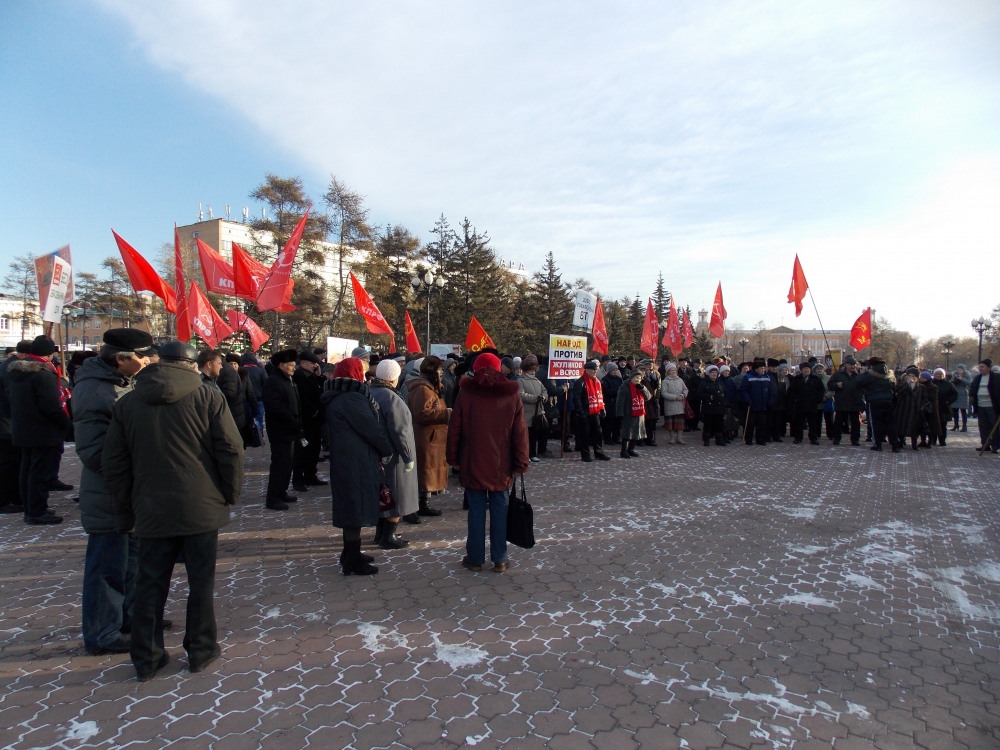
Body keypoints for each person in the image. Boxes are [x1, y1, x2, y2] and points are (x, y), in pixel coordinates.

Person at [102, 340, 244, 681]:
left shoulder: (129, 401)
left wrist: (130, 501)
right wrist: (228, 493)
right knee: (200, 582)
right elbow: (230, 450)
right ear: (193, 365)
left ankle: (147, 656)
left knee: (150, 584)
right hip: (201, 505)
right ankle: (200, 649)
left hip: (150, 507)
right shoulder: (209, 397)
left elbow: (114, 463)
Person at [74, 329, 155, 656]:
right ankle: (101, 634)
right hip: (110, 494)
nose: (148, 360)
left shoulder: (122, 382)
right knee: (108, 567)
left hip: (131, 492)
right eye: (142, 356)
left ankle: (128, 619)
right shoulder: (96, 391)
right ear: (120, 359)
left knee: (131, 562)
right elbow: (94, 452)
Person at [446, 352, 529, 573]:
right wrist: (521, 462)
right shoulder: (511, 395)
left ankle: (474, 558)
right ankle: (500, 559)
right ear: (500, 368)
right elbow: (520, 433)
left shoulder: (466, 393)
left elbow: (454, 429)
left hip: (472, 461)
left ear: (476, 369)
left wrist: (453, 458)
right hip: (502, 465)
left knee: (475, 512)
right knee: (500, 511)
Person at [321, 357, 395, 575]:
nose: (364, 375)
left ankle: (351, 552)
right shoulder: (351, 398)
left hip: (349, 457)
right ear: (354, 374)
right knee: (354, 507)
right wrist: (386, 449)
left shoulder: (342, 395)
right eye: (360, 371)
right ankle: (352, 559)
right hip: (355, 460)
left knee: (351, 505)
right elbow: (370, 428)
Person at [9, 336, 70, 524]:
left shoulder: (16, 370)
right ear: (50, 353)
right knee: (40, 473)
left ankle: (31, 508)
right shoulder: (43, 373)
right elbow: (51, 405)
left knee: (27, 470)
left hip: (24, 427)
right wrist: (66, 424)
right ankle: (37, 511)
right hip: (43, 430)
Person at [366, 359, 419, 545]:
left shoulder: (369, 392)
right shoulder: (392, 397)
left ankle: (380, 534)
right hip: (394, 455)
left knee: (383, 496)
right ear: (394, 377)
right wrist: (408, 457)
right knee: (397, 495)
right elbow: (400, 430)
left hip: (376, 454)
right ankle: (389, 537)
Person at [407, 356, 450, 517]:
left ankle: (423, 504)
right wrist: (447, 414)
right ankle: (413, 507)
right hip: (425, 438)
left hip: (432, 438)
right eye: (440, 369)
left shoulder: (431, 388)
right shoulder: (422, 389)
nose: (441, 373)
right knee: (422, 473)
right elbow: (422, 414)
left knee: (426, 474)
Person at [262, 349, 301, 510]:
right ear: (281, 365)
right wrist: (291, 418)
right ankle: (273, 497)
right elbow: (274, 406)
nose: (293, 368)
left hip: (290, 430)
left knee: (287, 464)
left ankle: (282, 491)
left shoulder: (287, 380)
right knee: (280, 464)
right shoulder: (274, 381)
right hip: (281, 430)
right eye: (291, 365)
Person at [0, 340, 30, 514]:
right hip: (6, 424)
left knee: (11, 463)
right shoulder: (11, 370)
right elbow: (13, 397)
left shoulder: (8, 366)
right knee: (8, 464)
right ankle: (5, 500)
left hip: (7, 422)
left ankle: (12, 497)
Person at [292, 351, 325, 491]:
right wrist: (314, 411)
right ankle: (299, 479)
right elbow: (304, 399)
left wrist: (319, 376)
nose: (315, 366)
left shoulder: (311, 376)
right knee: (303, 451)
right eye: (312, 363)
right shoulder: (300, 377)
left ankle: (311, 475)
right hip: (307, 421)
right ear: (303, 363)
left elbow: (320, 390)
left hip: (315, 421)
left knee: (314, 450)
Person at [856, 357, 900, 452]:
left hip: (874, 401)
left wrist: (861, 374)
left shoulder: (870, 374)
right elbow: (894, 387)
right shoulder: (890, 374)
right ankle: (895, 445)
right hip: (888, 401)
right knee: (890, 423)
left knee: (876, 423)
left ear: (872, 365)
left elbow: (859, 383)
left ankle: (878, 445)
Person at [572, 360, 612, 462]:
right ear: (586, 370)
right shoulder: (580, 382)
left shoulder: (597, 382)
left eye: (595, 370)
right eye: (592, 370)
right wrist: (580, 412)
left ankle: (599, 453)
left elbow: (600, 396)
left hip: (595, 411)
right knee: (584, 435)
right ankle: (585, 455)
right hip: (585, 412)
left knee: (598, 433)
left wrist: (602, 408)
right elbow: (576, 398)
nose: (594, 372)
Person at [827, 355, 863, 446]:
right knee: (838, 422)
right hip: (841, 402)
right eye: (850, 364)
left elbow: (864, 386)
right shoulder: (838, 374)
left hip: (854, 402)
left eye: (854, 364)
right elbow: (830, 385)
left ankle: (855, 439)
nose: (852, 366)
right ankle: (837, 438)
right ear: (846, 364)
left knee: (855, 423)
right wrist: (836, 385)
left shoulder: (858, 375)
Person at [518, 355, 548, 462]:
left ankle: (533, 454)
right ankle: (526, 454)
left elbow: (544, 391)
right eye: (530, 370)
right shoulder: (520, 381)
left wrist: (544, 397)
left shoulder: (537, 381)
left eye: (533, 370)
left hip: (537, 412)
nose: (533, 372)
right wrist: (535, 398)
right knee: (526, 435)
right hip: (526, 412)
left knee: (535, 435)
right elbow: (521, 395)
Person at [616, 367, 650, 458]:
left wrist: (643, 388)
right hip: (628, 413)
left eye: (639, 378)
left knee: (637, 433)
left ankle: (631, 449)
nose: (637, 380)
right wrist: (620, 413)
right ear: (631, 378)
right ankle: (624, 451)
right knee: (627, 433)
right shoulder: (624, 386)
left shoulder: (641, 386)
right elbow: (620, 401)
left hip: (639, 413)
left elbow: (648, 397)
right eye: (636, 378)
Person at [738, 359, 773, 446]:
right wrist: (747, 399)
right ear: (756, 369)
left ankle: (760, 439)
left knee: (762, 423)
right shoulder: (748, 377)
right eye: (761, 368)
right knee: (750, 423)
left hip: (763, 405)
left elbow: (771, 391)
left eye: (764, 368)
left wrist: (770, 401)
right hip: (752, 404)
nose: (763, 370)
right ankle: (748, 439)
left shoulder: (767, 378)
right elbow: (743, 390)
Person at [893, 367, 928, 451]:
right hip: (903, 409)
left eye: (913, 376)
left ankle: (914, 444)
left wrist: (922, 407)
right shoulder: (901, 384)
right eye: (909, 375)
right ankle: (901, 441)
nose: (910, 377)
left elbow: (925, 398)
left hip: (915, 410)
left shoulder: (921, 387)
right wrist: (906, 383)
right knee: (901, 426)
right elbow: (898, 392)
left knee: (914, 428)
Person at [969, 360, 1000, 453]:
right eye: (979, 366)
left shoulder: (996, 378)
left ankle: (995, 445)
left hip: (992, 406)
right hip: (980, 406)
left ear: (989, 368)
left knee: (993, 426)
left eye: (982, 366)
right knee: (983, 426)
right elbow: (973, 388)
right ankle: (985, 444)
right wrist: (971, 395)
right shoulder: (977, 378)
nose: (980, 368)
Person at [698, 365, 728, 446]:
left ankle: (719, 440)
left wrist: (723, 400)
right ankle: (706, 439)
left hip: (719, 407)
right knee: (708, 424)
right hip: (709, 407)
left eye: (715, 372)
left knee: (719, 424)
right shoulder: (704, 383)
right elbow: (699, 394)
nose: (714, 374)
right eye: (712, 372)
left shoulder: (719, 382)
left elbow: (725, 393)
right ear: (708, 373)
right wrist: (709, 397)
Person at [659, 362, 688, 445]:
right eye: (671, 370)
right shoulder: (665, 381)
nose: (673, 372)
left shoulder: (680, 380)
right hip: (670, 404)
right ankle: (672, 438)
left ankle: (679, 437)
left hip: (680, 404)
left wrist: (683, 395)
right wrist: (675, 397)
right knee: (671, 423)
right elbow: (664, 393)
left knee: (680, 423)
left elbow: (685, 389)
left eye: (674, 370)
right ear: (668, 372)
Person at [241, 352, 267, 434]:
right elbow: (266, 384)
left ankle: (249, 435)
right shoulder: (260, 371)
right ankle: (259, 435)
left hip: (245, 399)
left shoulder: (241, 371)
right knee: (258, 418)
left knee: (247, 418)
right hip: (259, 398)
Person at [638, 361, 661, 446]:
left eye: (644, 370)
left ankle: (649, 439)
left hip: (649, 404)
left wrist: (651, 395)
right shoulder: (636, 381)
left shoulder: (647, 380)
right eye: (641, 370)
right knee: (641, 423)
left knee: (650, 423)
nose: (643, 372)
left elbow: (651, 390)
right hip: (640, 404)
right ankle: (640, 440)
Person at [601, 362, 623, 445]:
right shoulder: (605, 379)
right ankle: (607, 438)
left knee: (617, 422)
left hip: (618, 403)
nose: (615, 371)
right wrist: (617, 391)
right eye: (614, 370)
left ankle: (616, 437)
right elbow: (606, 391)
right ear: (610, 370)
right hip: (609, 403)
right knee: (609, 422)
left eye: (616, 370)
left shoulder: (619, 379)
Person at [768, 361, 790, 442]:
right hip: (771, 401)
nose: (774, 368)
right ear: (769, 367)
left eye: (776, 367)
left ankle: (776, 436)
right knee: (770, 420)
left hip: (780, 401)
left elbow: (784, 387)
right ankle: (768, 435)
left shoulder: (781, 376)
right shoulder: (767, 376)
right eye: (772, 367)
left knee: (778, 421)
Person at [950, 365, 971, 432]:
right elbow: (950, 382)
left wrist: (962, 379)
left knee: (963, 411)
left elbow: (970, 383)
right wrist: (953, 380)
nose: (959, 371)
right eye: (958, 369)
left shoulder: (967, 375)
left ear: (963, 370)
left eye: (961, 370)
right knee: (955, 410)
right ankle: (956, 425)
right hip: (955, 394)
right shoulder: (954, 375)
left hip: (963, 394)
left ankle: (964, 426)